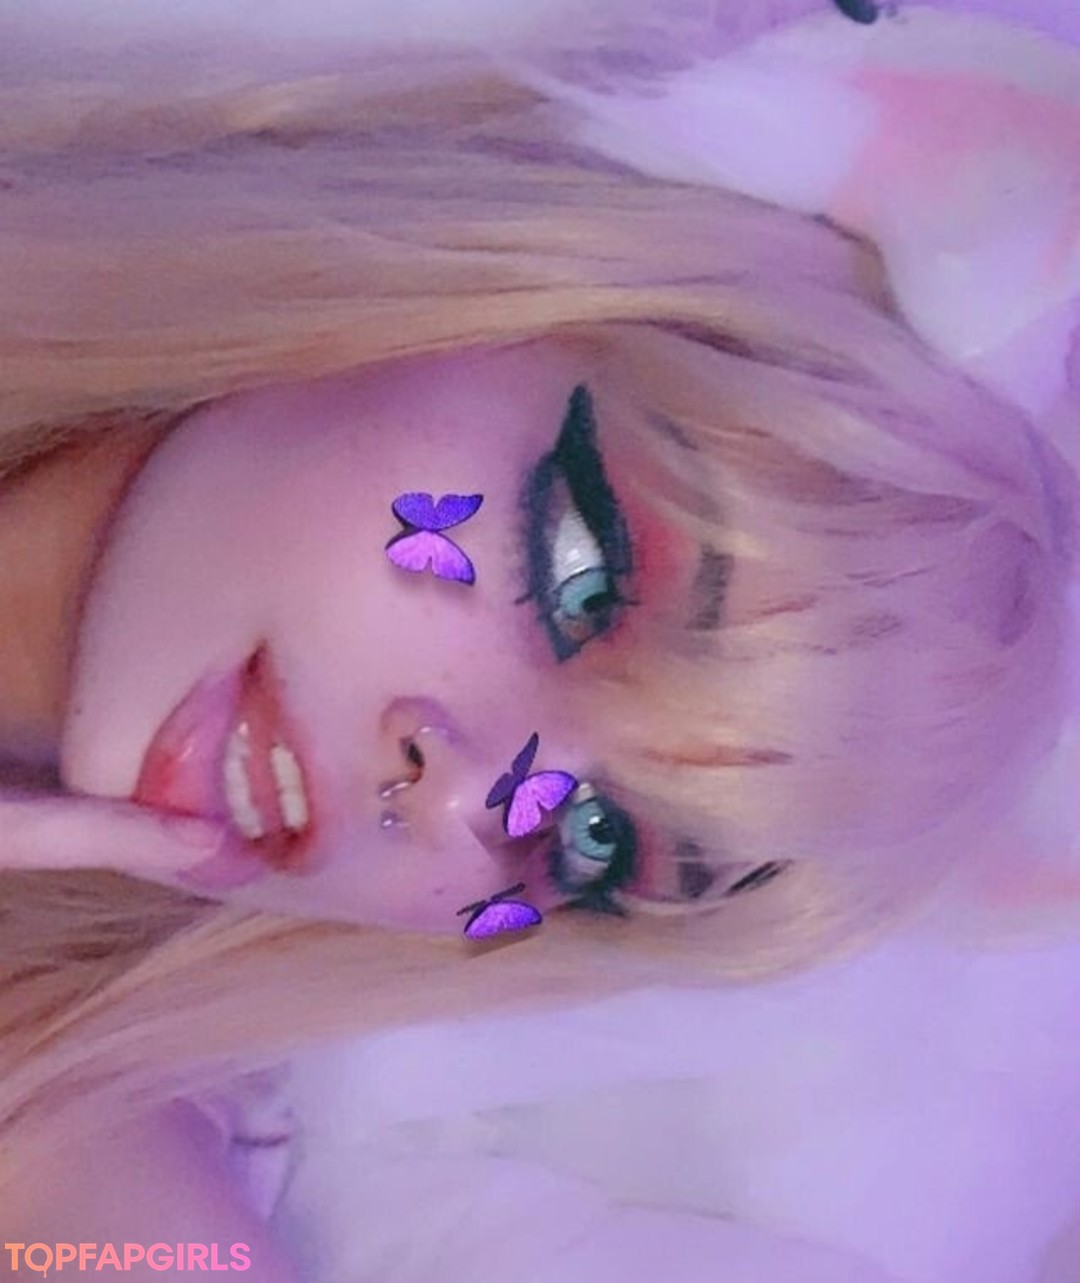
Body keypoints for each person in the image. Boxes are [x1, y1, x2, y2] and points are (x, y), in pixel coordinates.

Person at [0, 1, 1078, 1278]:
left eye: (591, 841)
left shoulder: (68, 1109)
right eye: (581, 579)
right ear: (472, 291)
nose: (463, 795)